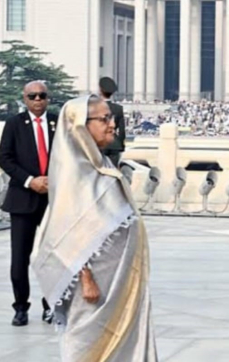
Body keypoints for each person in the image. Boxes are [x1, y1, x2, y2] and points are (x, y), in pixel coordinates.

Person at [32, 95, 157, 361]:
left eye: (111, 117)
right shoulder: (73, 173)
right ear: (80, 126)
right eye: (104, 119)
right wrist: (86, 279)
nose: (112, 125)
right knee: (87, 345)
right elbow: (62, 231)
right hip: (93, 288)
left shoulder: (101, 165)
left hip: (119, 280)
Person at [0, 81, 56, 326]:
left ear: (48, 98)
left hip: (53, 201)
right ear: (24, 99)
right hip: (23, 199)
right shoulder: (14, 124)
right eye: (32, 96)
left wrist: (52, 180)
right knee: (20, 259)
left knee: (53, 258)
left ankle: (51, 305)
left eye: (41, 95)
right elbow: (5, 158)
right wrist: (30, 180)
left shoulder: (58, 123)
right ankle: (20, 307)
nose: (37, 100)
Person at [99, 77, 126, 167]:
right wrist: (120, 144)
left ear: (100, 90)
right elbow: (122, 130)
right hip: (114, 144)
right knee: (113, 171)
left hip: (99, 143)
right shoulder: (118, 108)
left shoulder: (94, 108)